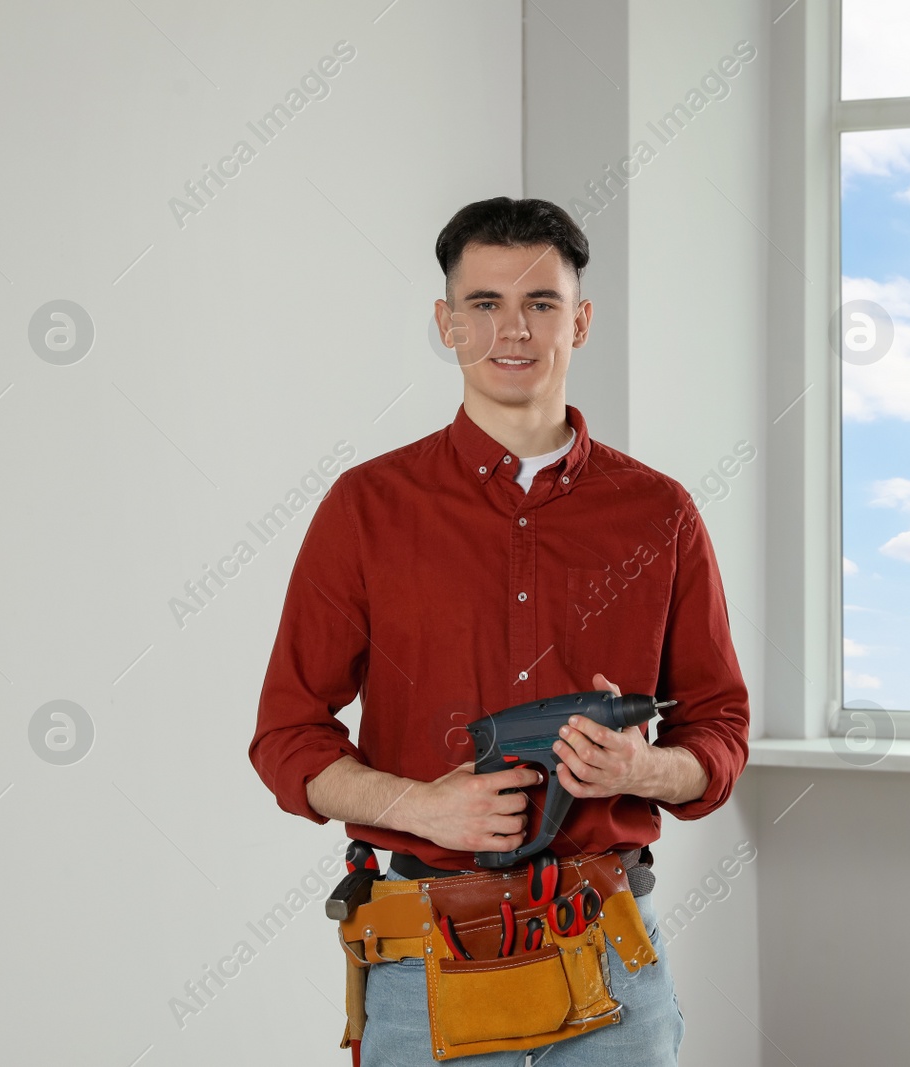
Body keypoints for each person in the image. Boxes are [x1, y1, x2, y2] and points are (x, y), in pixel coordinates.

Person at [249, 196, 751, 1066]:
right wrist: (420, 805)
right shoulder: (365, 508)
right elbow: (286, 739)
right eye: (484, 304)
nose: (512, 330)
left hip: (614, 962)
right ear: (446, 324)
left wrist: (646, 767)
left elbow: (720, 729)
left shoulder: (659, 513)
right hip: (423, 965)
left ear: (581, 321)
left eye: (541, 304)